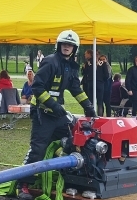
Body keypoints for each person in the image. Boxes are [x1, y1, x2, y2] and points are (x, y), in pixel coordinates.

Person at [25, 30, 96, 167]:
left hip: (58, 113)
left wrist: (89, 107)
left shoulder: (71, 66)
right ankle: (24, 184)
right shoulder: (50, 62)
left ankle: (58, 172)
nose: (66, 46)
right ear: (59, 45)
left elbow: (76, 89)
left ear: (74, 48)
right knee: (38, 148)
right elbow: (37, 87)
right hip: (42, 111)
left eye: (70, 45)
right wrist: (54, 105)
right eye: (64, 43)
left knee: (69, 142)